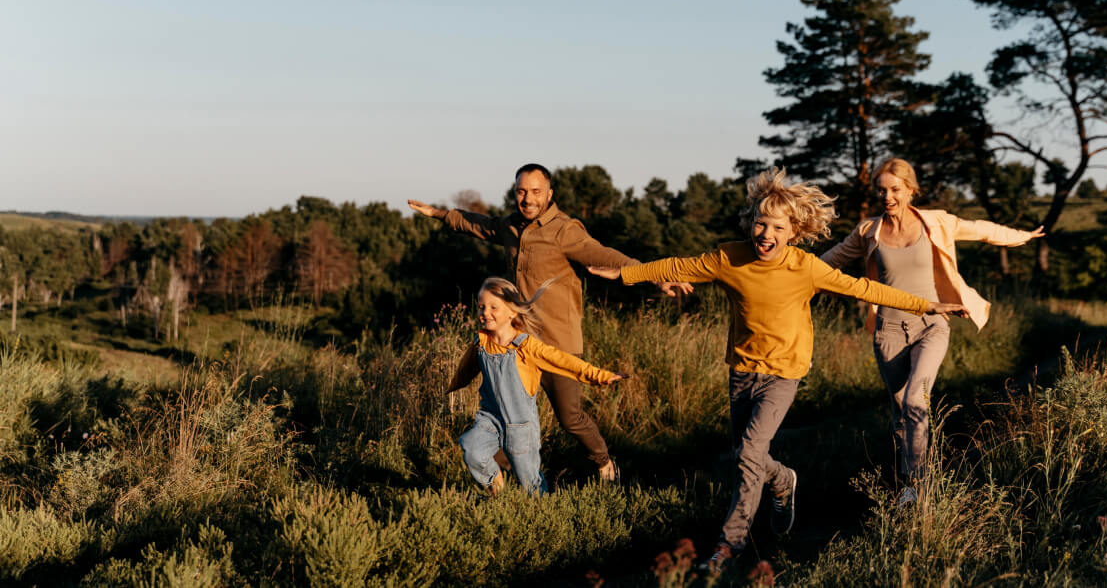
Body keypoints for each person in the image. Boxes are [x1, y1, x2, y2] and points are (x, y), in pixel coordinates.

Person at [587, 167, 966, 568]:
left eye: (777, 228)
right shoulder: (727, 258)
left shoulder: (806, 267)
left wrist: (928, 304)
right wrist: (626, 274)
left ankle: (727, 547)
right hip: (742, 371)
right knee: (744, 455)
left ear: (793, 233)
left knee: (749, 452)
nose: (766, 234)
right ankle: (783, 481)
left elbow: (865, 288)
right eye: (760, 223)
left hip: (785, 373)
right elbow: (677, 266)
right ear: (751, 223)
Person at [408, 163, 690, 481]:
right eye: (521, 191)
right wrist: (439, 214)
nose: (527, 199)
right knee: (508, 415)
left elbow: (604, 254)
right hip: (519, 344)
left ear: (549, 194)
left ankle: (603, 463)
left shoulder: (564, 230)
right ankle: (504, 474)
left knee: (570, 417)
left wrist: (654, 276)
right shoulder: (511, 226)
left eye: (535, 192)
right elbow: (480, 225)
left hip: (558, 341)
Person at [820, 158, 1043, 507]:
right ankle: (906, 482)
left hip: (932, 324)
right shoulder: (868, 232)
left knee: (914, 400)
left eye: (895, 189)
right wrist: (789, 275)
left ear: (911, 190)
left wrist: (1022, 236)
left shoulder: (935, 222)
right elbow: (827, 262)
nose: (888, 196)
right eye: (882, 190)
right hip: (888, 330)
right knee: (900, 413)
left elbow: (980, 229)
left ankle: (918, 485)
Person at [448, 277, 626, 495]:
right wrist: (453, 386)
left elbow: (563, 361)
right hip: (490, 419)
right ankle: (496, 485)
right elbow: (466, 367)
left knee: (530, 482)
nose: (485, 312)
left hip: (520, 427)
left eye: (494, 307)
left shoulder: (527, 346)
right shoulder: (481, 342)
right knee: (471, 446)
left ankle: (541, 512)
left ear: (512, 312)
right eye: (482, 306)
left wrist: (599, 375)